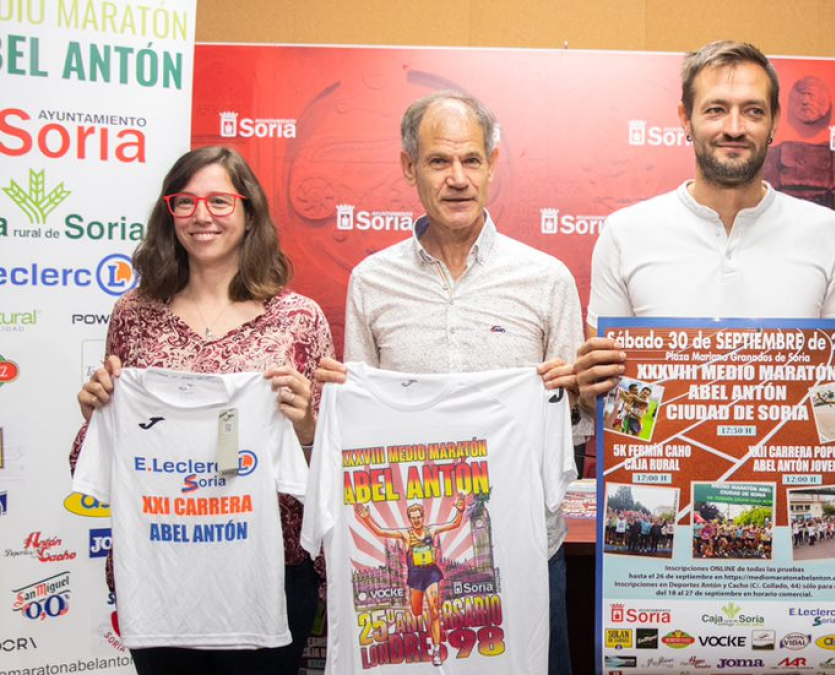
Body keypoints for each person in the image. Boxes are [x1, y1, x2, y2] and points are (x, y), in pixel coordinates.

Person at [315, 90, 581, 675]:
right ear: (409, 167)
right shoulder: (371, 282)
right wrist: (340, 396)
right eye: (439, 161)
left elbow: (573, 422)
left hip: (529, 549)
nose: (457, 178)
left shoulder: (547, 279)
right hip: (426, 556)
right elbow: (365, 436)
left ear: (491, 164)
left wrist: (576, 389)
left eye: (471, 160)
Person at [72, 146, 334, 675]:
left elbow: (331, 463)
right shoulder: (135, 314)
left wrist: (307, 427)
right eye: (184, 202)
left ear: (249, 211)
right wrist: (94, 414)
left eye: (219, 200)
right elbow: (105, 452)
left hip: (267, 572)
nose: (201, 216)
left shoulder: (297, 319)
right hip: (160, 568)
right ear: (169, 214)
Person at [574, 39, 835, 416]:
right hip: (661, 472)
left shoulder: (827, 233)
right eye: (715, 110)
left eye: (753, 111)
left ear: (775, 120)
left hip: (791, 471)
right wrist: (589, 391)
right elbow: (614, 405)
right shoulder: (625, 233)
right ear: (685, 118)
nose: (734, 128)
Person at [354, 496, 467, 665]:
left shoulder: (431, 531)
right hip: (415, 576)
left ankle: (436, 650)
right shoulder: (406, 534)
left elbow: (454, 524)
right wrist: (366, 517)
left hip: (431, 573)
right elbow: (380, 532)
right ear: (410, 519)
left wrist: (459, 510)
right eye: (412, 518)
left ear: (423, 516)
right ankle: (417, 610)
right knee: (416, 611)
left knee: (434, 611)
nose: (416, 520)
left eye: (418, 517)